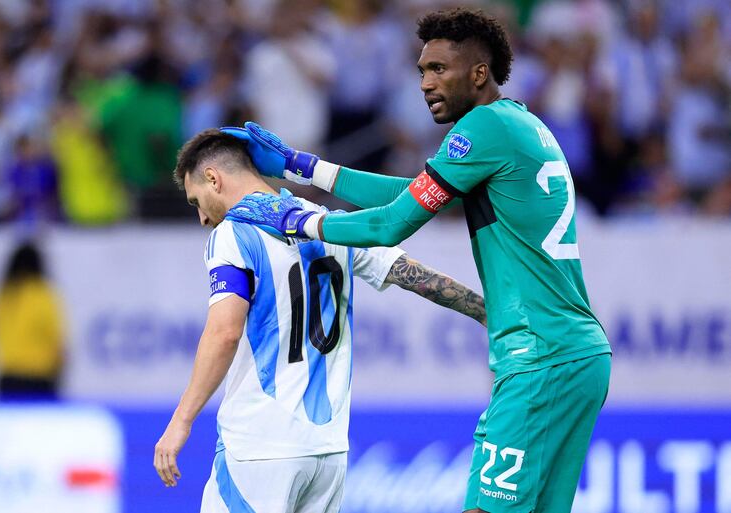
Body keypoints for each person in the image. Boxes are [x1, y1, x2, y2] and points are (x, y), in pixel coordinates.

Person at [221, 8, 611, 513]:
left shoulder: (483, 129)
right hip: (576, 353)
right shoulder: (519, 123)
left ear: (478, 73)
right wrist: (305, 167)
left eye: (439, 70)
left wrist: (298, 222)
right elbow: (412, 194)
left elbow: (391, 224)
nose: (426, 83)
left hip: (538, 356)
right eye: (422, 70)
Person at [153, 129, 488, 513]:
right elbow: (414, 277)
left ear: (214, 177)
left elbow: (225, 331)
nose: (201, 218)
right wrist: (487, 312)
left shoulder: (233, 234)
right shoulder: (323, 221)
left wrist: (181, 421)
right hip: (327, 454)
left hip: (259, 445)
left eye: (197, 201)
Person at [0, 241, 65, 400]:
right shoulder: (42, 294)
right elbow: (57, 340)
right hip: (39, 378)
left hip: (8, 378)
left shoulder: (2, 295)